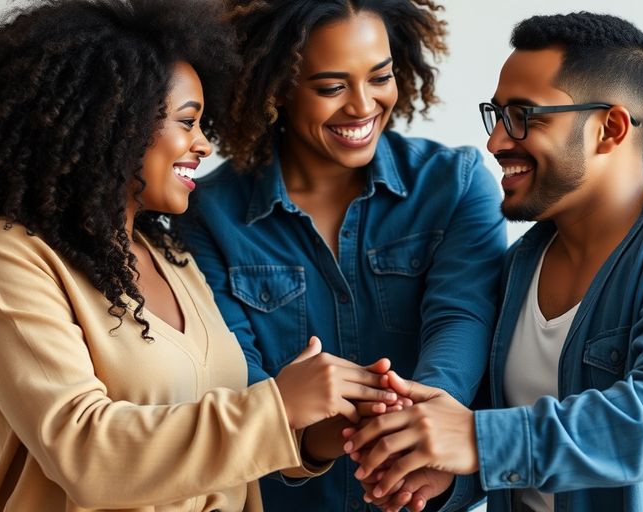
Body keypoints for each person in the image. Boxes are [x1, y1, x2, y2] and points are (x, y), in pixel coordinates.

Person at [0, 1, 401, 510]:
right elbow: (85, 456)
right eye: (187, 121)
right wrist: (279, 405)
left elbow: (219, 423)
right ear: (112, 125)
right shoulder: (5, 257)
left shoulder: (171, 253)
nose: (203, 145)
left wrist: (323, 428)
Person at [345, 12, 643, 512]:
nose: (496, 141)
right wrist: (438, 476)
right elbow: (505, 452)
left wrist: (476, 440)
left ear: (609, 128)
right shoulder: (519, 266)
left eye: (524, 116)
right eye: (497, 115)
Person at [178, 0, 506, 510]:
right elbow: (233, 367)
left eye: (380, 77)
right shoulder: (207, 216)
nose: (362, 106)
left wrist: (414, 425)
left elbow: (461, 318)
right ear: (276, 89)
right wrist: (337, 433)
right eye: (332, 87)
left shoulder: (456, 186)